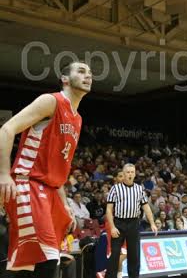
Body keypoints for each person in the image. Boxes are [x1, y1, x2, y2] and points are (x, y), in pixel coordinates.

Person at [0, 61, 91, 276]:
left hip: (50, 191)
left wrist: (65, 204)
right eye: (81, 71)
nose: (88, 76)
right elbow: (6, 129)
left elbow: (57, 170)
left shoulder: (78, 119)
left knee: (29, 264)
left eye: (90, 73)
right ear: (65, 79)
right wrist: (3, 174)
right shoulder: (51, 101)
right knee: (49, 259)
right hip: (28, 184)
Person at [105, 163, 157, 278]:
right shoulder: (115, 188)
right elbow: (109, 210)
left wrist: (152, 223)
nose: (130, 174)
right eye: (127, 172)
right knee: (115, 255)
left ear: (135, 174)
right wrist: (112, 226)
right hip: (119, 223)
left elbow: (146, 207)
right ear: (123, 174)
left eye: (132, 172)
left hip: (134, 223)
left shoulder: (139, 189)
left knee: (134, 255)